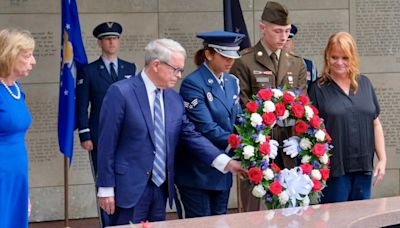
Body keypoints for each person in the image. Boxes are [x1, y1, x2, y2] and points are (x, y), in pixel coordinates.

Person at [95, 38, 246, 226]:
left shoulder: (173, 99)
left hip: (160, 188)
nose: (179, 75)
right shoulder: (121, 92)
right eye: (176, 69)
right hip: (128, 188)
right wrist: (106, 187)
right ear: (156, 65)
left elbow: (191, 136)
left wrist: (227, 163)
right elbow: (106, 144)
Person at [175, 31, 277, 218]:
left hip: (223, 167)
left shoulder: (231, 82)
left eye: (233, 56)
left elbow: (237, 119)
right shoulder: (193, 83)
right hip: (198, 170)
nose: (230, 61)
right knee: (202, 222)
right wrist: (244, 144)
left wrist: (254, 138)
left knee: (220, 219)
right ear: (208, 54)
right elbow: (206, 127)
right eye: (224, 56)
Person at [230, 1, 307, 212]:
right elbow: (241, 106)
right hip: (257, 151)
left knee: (290, 210)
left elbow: (301, 105)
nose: (283, 37)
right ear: (262, 28)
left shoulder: (296, 63)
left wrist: (298, 138)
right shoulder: (245, 62)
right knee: (254, 212)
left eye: (287, 31)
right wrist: (259, 140)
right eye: (278, 31)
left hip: (288, 151)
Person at [308, 32, 386, 203]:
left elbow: (376, 124)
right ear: (327, 56)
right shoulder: (317, 89)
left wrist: (382, 159)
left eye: (345, 57)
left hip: (364, 168)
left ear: (353, 57)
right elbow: (309, 132)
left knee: (361, 220)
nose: (339, 63)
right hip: (334, 171)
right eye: (334, 57)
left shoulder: (364, 84)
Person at [75, 21, 136, 227]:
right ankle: (108, 224)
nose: (112, 42)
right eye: (108, 39)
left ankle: (124, 222)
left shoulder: (129, 68)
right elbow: (82, 105)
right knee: (104, 183)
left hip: (126, 135)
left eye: (115, 38)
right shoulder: (89, 71)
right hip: (99, 135)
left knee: (125, 179)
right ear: (100, 42)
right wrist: (85, 134)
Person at [0, 28, 36, 228]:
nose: (33, 61)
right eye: (28, 56)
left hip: (17, 175)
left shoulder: (16, 89)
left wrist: (26, 192)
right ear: (10, 55)